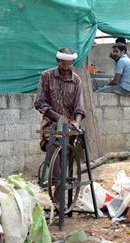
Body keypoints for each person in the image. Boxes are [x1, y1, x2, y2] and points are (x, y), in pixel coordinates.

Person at [34, 48, 85, 201]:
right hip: (50, 124)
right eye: (64, 65)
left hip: (69, 127)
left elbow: (79, 108)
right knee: (54, 147)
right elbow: (39, 102)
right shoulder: (46, 76)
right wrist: (57, 117)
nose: (67, 68)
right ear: (58, 62)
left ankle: (59, 199)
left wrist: (76, 122)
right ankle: (58, 192)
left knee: (67, 156)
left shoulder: (76, 81)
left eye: (70, 65)